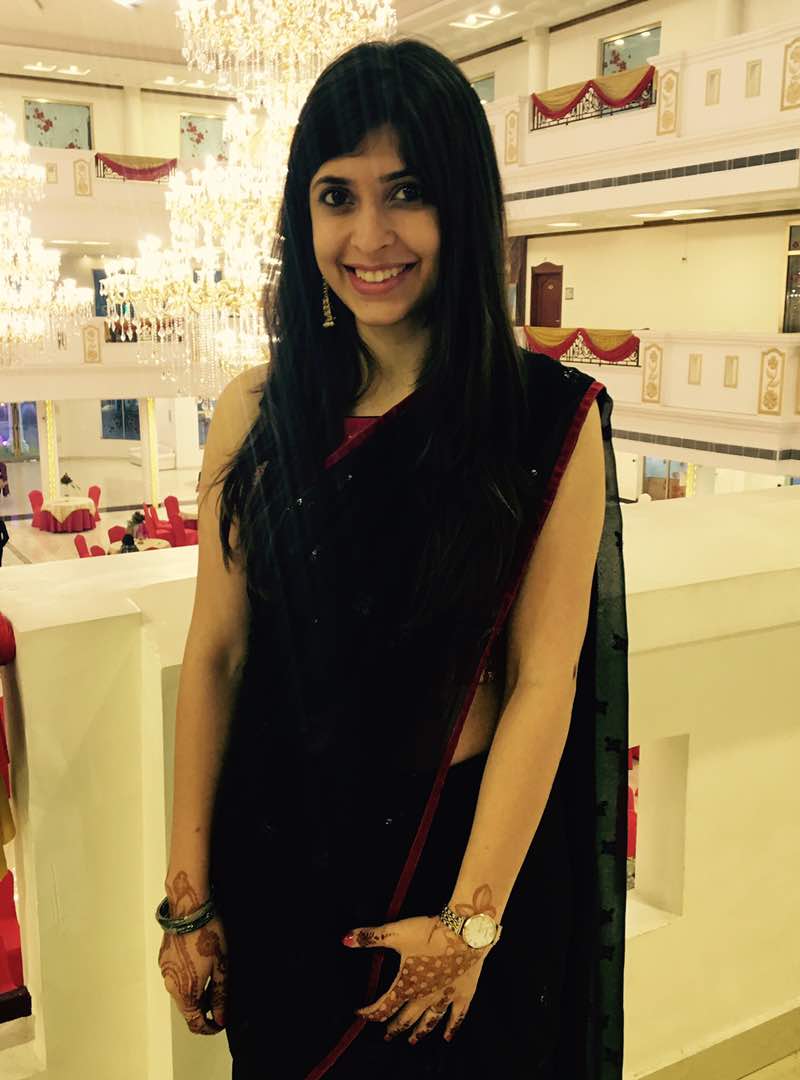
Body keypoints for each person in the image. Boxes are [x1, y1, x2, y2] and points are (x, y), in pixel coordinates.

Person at [157, 40, 628, 1080]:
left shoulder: (545, 419)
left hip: (448, 866)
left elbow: (542, 680)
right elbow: (216, 654)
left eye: (406, 192)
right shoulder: (255, 411)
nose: (369, 237)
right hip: (277, 873)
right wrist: (187, 897)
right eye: (338, 196)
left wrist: (469, 926)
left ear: (462, 206)